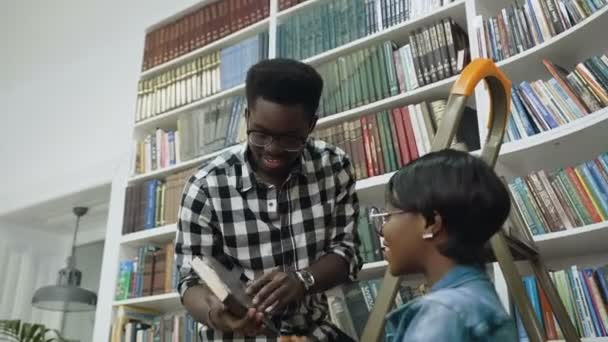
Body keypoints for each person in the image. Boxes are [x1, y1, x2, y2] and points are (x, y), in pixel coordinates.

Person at [175, 58, 361, 341]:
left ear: (311, 125)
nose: (272, 151)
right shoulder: (206, 186)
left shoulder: (334, 167)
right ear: (247, 117)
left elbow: (347, 251)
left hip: (310, 334)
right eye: (260, 135)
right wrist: (217, 315)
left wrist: (303, 280)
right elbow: (190, 281)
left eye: (289, 140)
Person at [372, 149, 518, 341]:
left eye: (388, 216)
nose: (382, 230)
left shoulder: (443, 313)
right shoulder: (481, 297)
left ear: (430, 222)